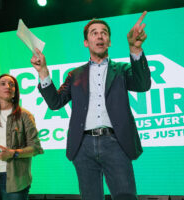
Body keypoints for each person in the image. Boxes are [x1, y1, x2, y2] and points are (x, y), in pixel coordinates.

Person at [31, 11, 150, 200]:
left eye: (104, 32)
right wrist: (43, 71)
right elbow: (55, 102)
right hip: (83, 145)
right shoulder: (75, 74)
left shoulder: (121, 70)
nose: (100, 35)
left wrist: (135, 49)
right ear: (86, 42)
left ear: (109, 41)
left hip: (116, 142)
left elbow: (143, 85)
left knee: (125, 196)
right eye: (94, 33)